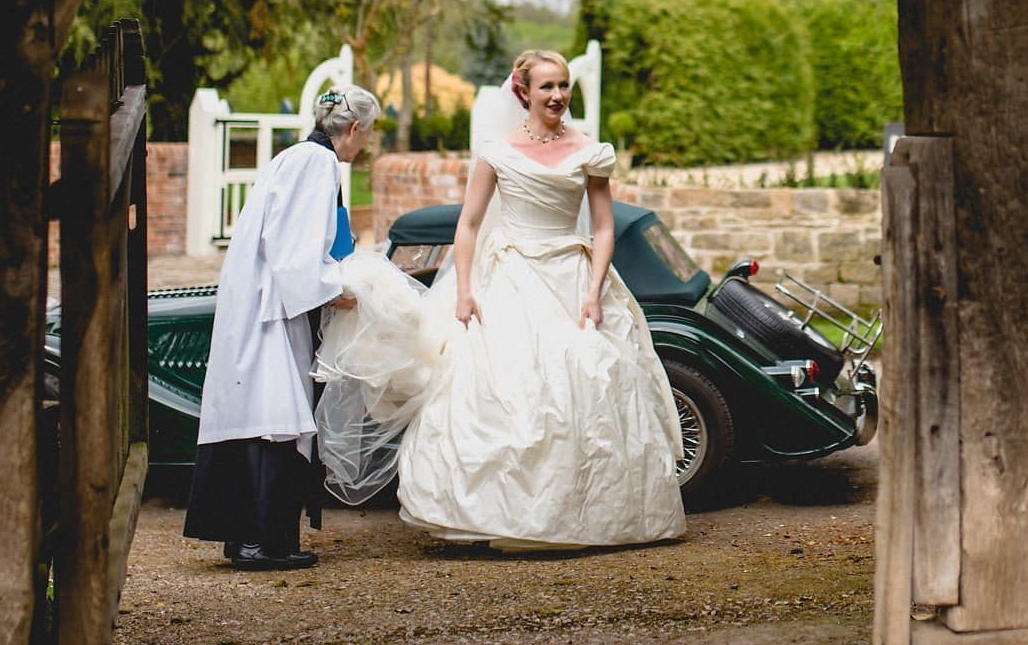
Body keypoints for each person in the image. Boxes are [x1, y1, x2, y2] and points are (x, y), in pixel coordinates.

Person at [317, 49, 685, 549]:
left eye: (563, 86)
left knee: (586, 377)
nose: (557, 96)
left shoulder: (590, 151)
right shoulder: (498, 151)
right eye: (547, 87)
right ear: (524, 92)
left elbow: (602, 227)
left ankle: (580, 514)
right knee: (500, 387)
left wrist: (595, 291)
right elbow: (468, 225)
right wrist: (465, 291)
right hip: (508, 275)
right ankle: (489, 515)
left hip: (571, 276)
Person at [183, 85, 376, 570]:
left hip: (264, 301)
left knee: (262, 411)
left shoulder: (295, 156)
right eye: (366, 134)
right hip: (272, 308)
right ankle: (262, 541)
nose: (364, 144)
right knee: (274, 417)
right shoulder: (317, 163)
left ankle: (249, 536)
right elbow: (294, 246)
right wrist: (334, 289)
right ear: (354, 129)